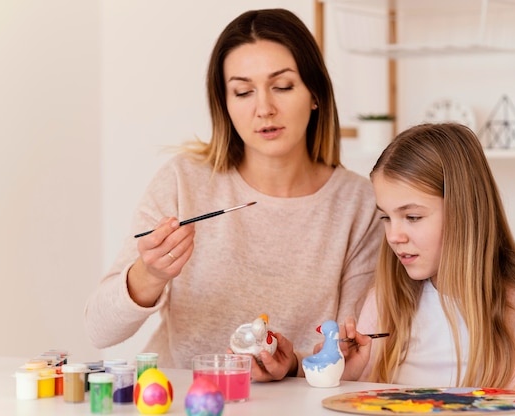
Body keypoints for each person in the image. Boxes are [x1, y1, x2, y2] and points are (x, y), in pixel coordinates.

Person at [84, 8, 382, 381]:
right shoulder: (183, 181)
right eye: (243, 91)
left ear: (315, 95)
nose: (264, 108)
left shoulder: (359, 203)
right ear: (224, 104)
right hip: (176, 400)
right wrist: (149, 274)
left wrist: (292, 365)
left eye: (283, 86)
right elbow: (100, 331)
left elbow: (352, 351)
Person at [338, 123, 515, 395]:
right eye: (386, 217)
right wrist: (345, 381)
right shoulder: (386, 301)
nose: (393, 236)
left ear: (464, 213)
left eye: (413, 217)